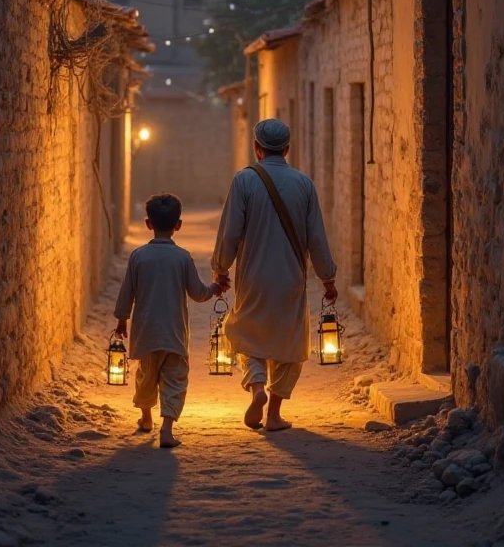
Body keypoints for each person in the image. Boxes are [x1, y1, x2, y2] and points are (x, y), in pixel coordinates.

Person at [211, 118, 338, 432]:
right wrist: (328, 278)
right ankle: (274, 414)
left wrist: (221, 269)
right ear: (287, 149)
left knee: (248, 333)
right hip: (291, 277)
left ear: (257, 149)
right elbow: (317, 238)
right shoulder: (304, 184)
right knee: (289, 341)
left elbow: (230, 233)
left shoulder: (244, 181)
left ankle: (256, 387)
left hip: (252, 276)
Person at [114, 192, 223, 448]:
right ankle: (166, 429)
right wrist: (215, 289)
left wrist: (121, 321)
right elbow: (197, 293)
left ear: (148, 224)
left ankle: (146, 417)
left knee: (146, 377)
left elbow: (126, 293)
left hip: (146, 333)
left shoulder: (138, 256)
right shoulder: (183, 257)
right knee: (174, 379)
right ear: (179, 225)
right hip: (174, 334)